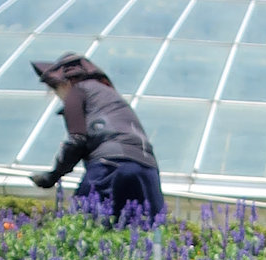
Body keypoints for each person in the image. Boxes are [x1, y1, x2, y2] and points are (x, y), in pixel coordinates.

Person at [28, 54, 165, 222]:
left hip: (110, 167)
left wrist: (52, 176)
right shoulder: (110, 96)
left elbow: (77, 140)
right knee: (146, 237)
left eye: (55, 89)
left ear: (64, 82)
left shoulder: (76, 91)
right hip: (147, 171)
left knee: (80, 228)